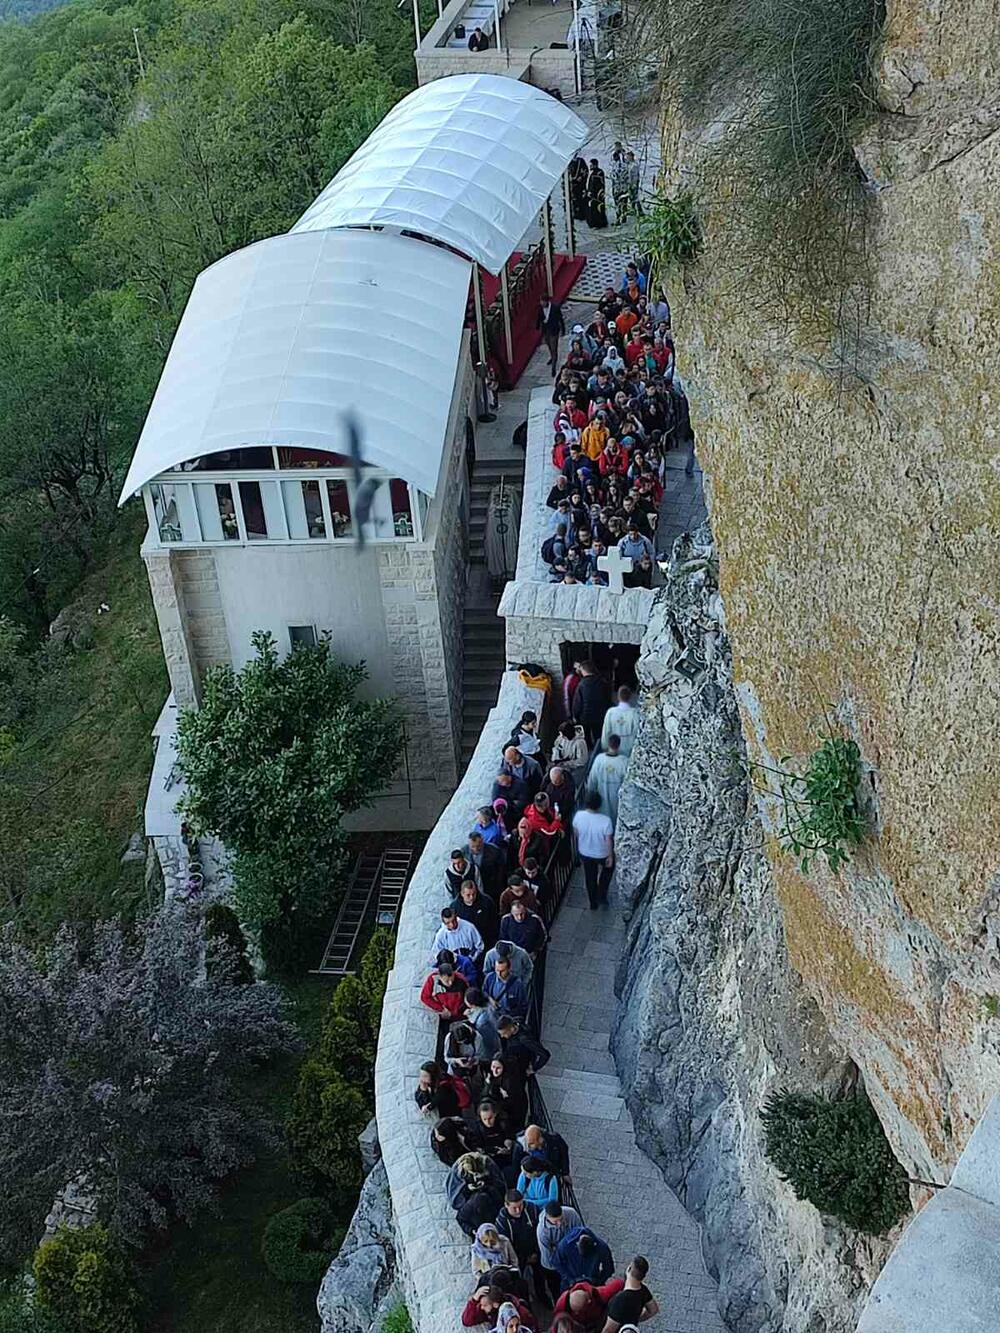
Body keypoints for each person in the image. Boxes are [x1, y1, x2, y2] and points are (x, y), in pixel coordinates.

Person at [495, 1189, 544, 1295]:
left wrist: (536, 1251)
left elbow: (540, 1231)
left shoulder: (532, 1210)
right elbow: (506, 1245)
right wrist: (523, 1258)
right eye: (514, 1208)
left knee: (541, 1277)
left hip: (535, 1250)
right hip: (516, 1255)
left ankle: (542, 1295)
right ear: (506, 1205)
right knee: (519, 1281)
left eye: (520, 1206)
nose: (518, 1210)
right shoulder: (501, 1222)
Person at [572, 791, 615, 910]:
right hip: (602, 853)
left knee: (590, 876)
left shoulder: (578, 816)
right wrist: (610, 856)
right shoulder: (606, 820)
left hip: (585, 851)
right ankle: (602, 894)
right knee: (608, 870)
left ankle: (593, 901)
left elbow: (576, 833)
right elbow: (608, 840)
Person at [448, 1152, 508, 1237]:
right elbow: (456, 1195)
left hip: (490, 1196)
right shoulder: (458, 1170)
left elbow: (499, 1185)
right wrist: (467, 1189)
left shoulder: (488, 1164)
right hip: (472, 1201)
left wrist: (485, 1183)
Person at [537, 1201, 583, 1304]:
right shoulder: (542, 1232)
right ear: (547, 1218)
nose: (559, 1224)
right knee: (557, 1289)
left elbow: (580, 1234)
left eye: (561, 1219)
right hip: (552, 1266)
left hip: (571, 1258)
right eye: (555, 1222)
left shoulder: (572, 1214)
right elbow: (549, 1257)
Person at [601, 1256, 659, 1330]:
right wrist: (637, 1319)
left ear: (629, 1269)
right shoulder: (643, 1290)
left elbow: (608, 1330)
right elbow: (653, 1309)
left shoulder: (620, 1300)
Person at [552, 1278, 625, 1330]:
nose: (577, 1313)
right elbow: (556, 1325)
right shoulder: (560, 1308)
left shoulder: (599, 1295)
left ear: (589, 1302)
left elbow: (619, 1284)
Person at [586, 735, 628, 825]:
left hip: (601, 796)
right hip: (617, 799)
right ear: (619, 745)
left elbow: (592, 779)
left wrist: (590, 793)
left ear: (608, 744)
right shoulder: (624, 761)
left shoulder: (599, 759)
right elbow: (627, 784)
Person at [483, 1053, 528, 1130]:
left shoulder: (509, 1082)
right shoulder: (494, 1077)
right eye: (493, 1067)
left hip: (515, 1111)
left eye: (498, 1068)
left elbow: (513, 1101)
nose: (495, 1071)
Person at [572, 661, 612, 747]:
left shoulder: (581, 684)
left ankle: (589, 748)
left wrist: (575, 715)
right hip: (600, 714)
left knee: (586, 737)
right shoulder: (602, 682)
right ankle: (599, 748)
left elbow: (578, 703)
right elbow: (608, 698)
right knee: (599, 735)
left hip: (585, 716)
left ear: (584, 671)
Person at [420, 958, 468, 1028]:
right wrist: (441, 1009)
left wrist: (455, 1013)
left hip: (459, 1015)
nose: (450, 983)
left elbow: (467, 997)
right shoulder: (433, 980)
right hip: (443, 1014)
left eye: (452, 980)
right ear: (440, 977)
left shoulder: (461, 980)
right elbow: (425, 997)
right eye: (447, 981)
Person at [462, 1283, 534, 1330]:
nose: (482, 1308)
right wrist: (474, 1300)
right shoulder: (490, 1312)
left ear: (495, 1304)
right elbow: (467, 1321)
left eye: (484, 1305)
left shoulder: (521, 1313)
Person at [454, 878, 501, 948]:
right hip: (467, 943)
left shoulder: (487, 902)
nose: (471, 897)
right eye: (468, 895)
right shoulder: (455, 907)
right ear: (462, 894)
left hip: (487, 940)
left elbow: (495, 921)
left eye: (474, 894)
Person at [483, 950, 530, 1020]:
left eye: (502, 971)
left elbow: (523, 1006)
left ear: (509, 969)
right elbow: (484, 991)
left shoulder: (517, 984)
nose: (499, 974)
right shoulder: (490, 978)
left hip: (509, 1017)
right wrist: (490, 999)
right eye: (497, 970)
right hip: (492, 1014)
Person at [467, 830, 509, 901]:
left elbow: (501, 870)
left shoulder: (494, 851)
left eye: (478, 846)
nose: (475, 849)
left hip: (492, 886)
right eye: (472, 846)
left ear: (482, 841)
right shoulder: (464, 852)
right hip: (473, 887)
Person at [516, 1154, 559, 1218]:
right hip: (528, 1210)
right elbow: (518, 1195)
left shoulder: (551, 1179)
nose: (523, 1174)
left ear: (535, 1172)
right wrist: (544, 1201)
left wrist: (528, 1201)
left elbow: (552, 1201)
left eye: (526, 1173)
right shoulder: (524, 1176)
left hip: (545, 1211)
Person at [601, 687, 640, 757]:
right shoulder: (634, 713)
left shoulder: (611, 712)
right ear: (630, 697)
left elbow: (606, 731)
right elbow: (636, 732)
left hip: (613, 746)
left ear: (618, 697)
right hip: (628, 747)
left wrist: (604, 746)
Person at [466, 987, 501, 1062]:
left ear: (471, 1004)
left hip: (488, 1046)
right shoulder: (489, 1006)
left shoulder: (481, 1020)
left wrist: (469, 1016)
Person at [537, 297, 566, 374]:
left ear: (547, 301)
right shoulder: (540, 308)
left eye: (543, 302)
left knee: (554, 347)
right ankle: (552, 357)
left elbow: (560, 319)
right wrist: (538, 326)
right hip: (546, 331)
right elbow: (539, 318)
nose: (542, 303)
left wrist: (563, 329)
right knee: (549, 345)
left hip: (554, 331)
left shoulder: (555, 308)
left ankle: (554, 365)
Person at [586, 159, 607, 229]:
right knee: (593, 209)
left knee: (598, 208)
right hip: (593, 194)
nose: (590, 166)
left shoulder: (599, 173)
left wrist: (593, 192)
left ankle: (599, 223)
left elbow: (598, 184)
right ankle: (594, 223)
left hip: (597, 194)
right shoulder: (593, 173)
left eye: (591, 165)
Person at [568, 154, 589, 220]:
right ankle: (575, 213)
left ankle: (583, 214)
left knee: (582, 199)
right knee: (574, 200)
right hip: (572, 185)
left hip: (580, 185)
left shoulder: (581, 161)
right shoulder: (569, 162)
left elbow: (586, 171)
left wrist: (581, 177)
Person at [625, 152, 642, 217]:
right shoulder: (629, 164)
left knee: (635, 197)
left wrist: (634, 184)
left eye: (628, 157)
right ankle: (634, 210)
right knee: (632, 197)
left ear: (631, 157)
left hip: (633, 183)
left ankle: (639, 210)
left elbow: (635, 176)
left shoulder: (634, 165)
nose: (627, 158)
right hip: (630, 183)